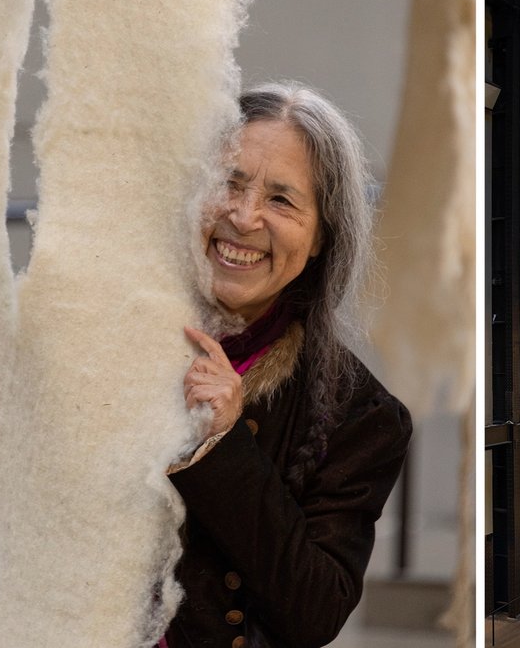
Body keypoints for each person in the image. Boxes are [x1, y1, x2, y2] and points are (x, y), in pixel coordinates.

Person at [164, 82, 412, 648]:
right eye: (229, 181)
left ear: (323, 234)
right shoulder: (93, 337)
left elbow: (315, 611)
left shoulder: (362, 415)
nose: (244, 217)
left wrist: (223, 445)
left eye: (281, 200)